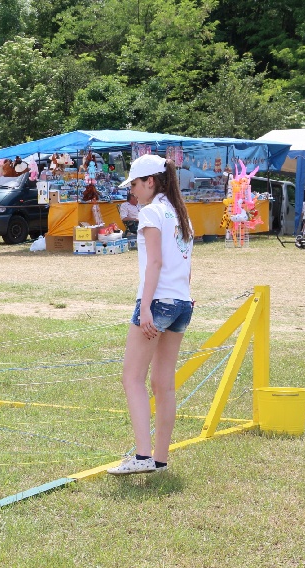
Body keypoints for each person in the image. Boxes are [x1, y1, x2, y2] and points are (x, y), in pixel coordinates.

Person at [108, 154, 194, 475]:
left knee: (132, 378)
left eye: (135, 183)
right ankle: (159, 460)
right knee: (163, 384)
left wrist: (145, 308)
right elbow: (185, 262)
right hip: (181, 303)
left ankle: (143, 456)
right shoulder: (180, 213)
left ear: (151, 181)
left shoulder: (151, 212)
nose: (132, 190)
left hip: (158, 302)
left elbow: (155, 262)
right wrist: (184, 294)